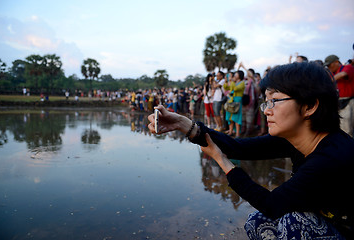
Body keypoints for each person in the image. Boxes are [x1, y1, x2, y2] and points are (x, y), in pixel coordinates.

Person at [148, 62, 353, 239]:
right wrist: (184, 124)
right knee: (258, 221)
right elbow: (238, 148)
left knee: (293, 221)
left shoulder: (332, 157)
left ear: (309, 106)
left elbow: (272, 204)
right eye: (266, 101)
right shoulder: (294, 139)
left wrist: (222, 161)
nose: (266, 110)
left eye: (275, 100)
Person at [325, 54, 354, 137]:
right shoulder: (332, 72)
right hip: (338, 101)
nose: (328, 67)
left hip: (348, 101)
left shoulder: (347, 67)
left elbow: (343, 74)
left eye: (329, 65)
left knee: (347, 129)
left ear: (336, 62)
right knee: (340, 127)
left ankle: (349, 148)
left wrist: (327, 81)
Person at [225, 71, 245, 137]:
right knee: (230, 117)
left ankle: (237, 134)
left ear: (239, 75)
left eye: (236, 74)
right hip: (231, 101)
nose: (234, 75)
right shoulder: (234, 82)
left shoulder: (242, 83)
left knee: (237, 117)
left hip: (237, 101)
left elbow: (235, 88)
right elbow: (226, 87)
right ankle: (230, 132)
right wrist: (226, 81)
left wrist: (232, 81)